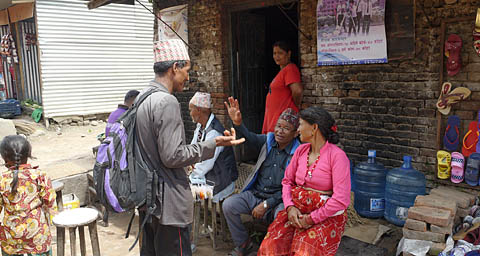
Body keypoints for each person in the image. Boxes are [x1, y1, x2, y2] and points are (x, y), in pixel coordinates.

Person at [135, 39, 244, 256]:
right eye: (186, 70)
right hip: (168, 203)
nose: (188, 76)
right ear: (174, 68)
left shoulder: (142, 97)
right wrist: (213, 144)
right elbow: (172, 156)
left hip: (148, 198)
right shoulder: (166, 102)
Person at [258, 106, 351, 256]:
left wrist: (311, 218)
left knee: (303, 252)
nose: (298, 129)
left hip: (324, 217)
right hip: (297, 212)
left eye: (301, 124)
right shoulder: (301, 151)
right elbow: (287, 182)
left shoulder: (337, 157)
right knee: (269, 247)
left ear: (314, 128)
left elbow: (341, 200)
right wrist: (290, 208)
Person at [223, 97, 301, 256]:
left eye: (286, 128)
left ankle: (272, 250)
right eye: (278, 126)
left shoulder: (298, 154)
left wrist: (267, 204)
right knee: (229, 205)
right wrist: (238, 123)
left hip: (279, 200)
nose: (280, 131)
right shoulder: (268, 140)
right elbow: (249, 138)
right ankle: (244, 244)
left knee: (282, 215)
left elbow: (293, 189)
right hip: (256, 194)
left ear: (295, 133)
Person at [0, 135, 56, 256]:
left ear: (5, 158)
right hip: (37, 237)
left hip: (11, 239)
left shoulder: (2, 180)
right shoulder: (40, 176)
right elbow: (50, 202)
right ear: (28, 154)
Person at [188, 91, 238, 202]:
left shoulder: (214, 132)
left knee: (184, 192)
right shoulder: (201, 126)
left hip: (219, 183)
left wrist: (188, 172)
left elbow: (204, 166)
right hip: (208, 175)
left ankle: (192, 218)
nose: (190, 113)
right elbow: (193, 147)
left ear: (199, 110)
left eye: (191, 110)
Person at [262, 41, 303, 134]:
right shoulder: (282, 71)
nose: (277, 56)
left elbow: (297, 90)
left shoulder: (290, 69)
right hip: (275, 119)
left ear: (288, 54)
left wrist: (296, 105)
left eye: (280, 53)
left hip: (282, 121)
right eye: (274, 53)